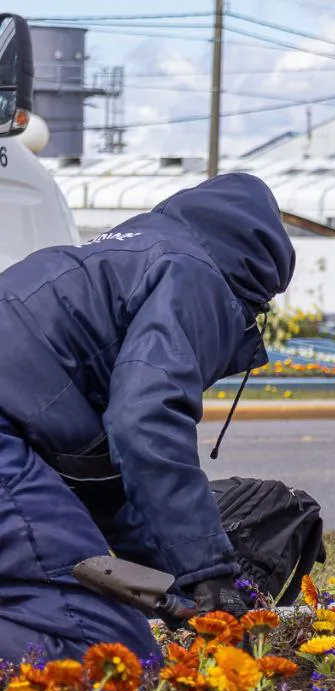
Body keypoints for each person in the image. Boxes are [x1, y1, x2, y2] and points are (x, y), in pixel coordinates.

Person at [0, 172, 296, 663]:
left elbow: (105, 478)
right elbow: (145, 422)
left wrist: (183, 583)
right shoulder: (198, 275)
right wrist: (210, 574)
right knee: (110, 654)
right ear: (259, 275)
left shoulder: (130, 258)